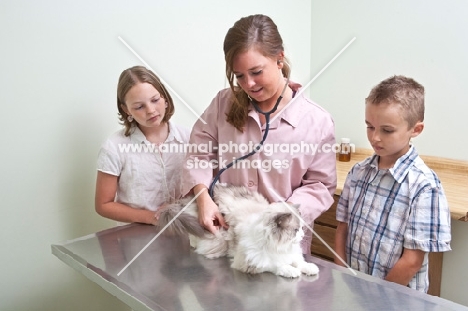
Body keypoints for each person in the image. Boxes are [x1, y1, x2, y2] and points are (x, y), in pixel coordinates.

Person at [181, 14, 337, 254]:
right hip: (225, 237)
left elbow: (320, 185)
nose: (249, 84)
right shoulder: (223, 103)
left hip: (281, 243)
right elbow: (198, 155)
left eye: (256, 72)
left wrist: (281, 216)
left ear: (279, 59)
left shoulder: (317, 121)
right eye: (239, 75)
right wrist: (203, 199)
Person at [334, 75, 451, 292]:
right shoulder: (358, 173)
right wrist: (342, 277)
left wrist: (377, 299)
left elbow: (412, 261)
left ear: (415, 130)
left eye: (387, 130)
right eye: (370, 127)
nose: (375, 137)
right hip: (353, 292)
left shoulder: (424, 187)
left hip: (395, 300)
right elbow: (343, 228)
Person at [95, 66, 190, 225]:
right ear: (127, 110)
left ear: (165, 98)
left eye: (155, 100)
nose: (151, 110)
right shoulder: (114, 147)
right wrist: (153, 217)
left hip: (184, 230)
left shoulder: (188, 137)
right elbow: (103, 205)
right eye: (139, 107)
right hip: (135, 237)